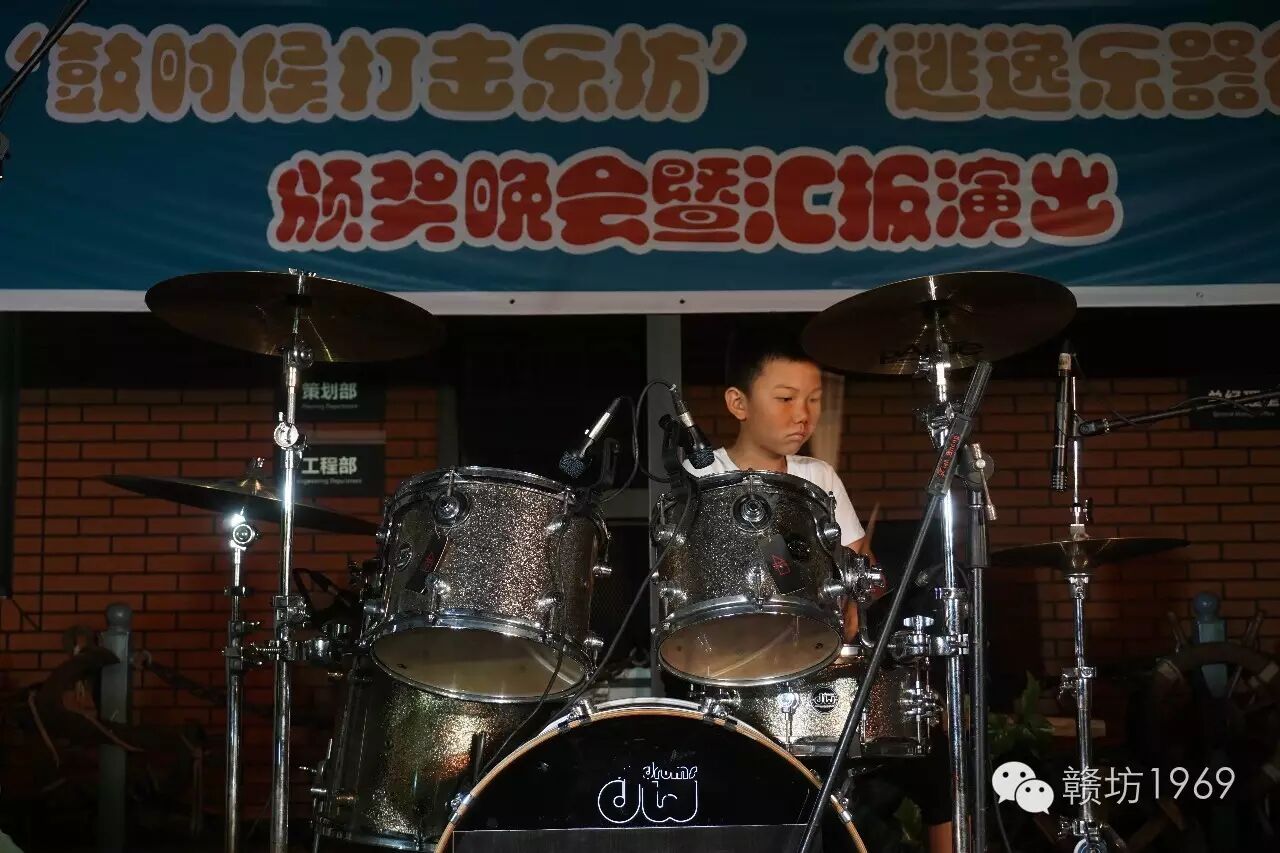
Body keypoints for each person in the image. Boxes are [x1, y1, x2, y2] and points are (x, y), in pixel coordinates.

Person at [685, 325, 955, 853]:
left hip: (817, 662)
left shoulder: (820, 476)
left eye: (813, 400)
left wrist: (856, 595)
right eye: (785, 399)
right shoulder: (701, 475)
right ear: (738, 403)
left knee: (930, 746)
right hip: (730, 668)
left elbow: (863, 572)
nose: (803, 416)